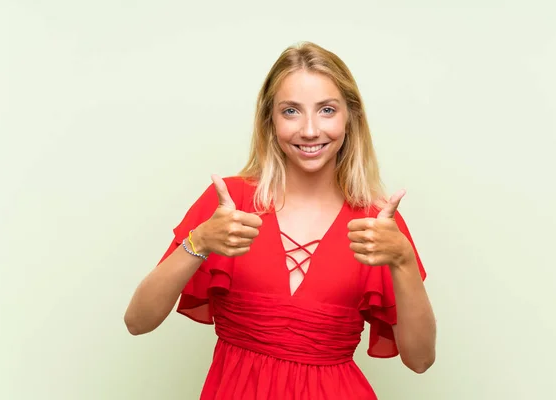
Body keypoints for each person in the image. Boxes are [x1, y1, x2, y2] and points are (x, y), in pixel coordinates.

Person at [124, 41, 436, 400]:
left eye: (327, 110)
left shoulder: (376, 221)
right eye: (290, 111)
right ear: (269, 121)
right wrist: (199, 242)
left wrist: (404, 260)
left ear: (351, 118)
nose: (309, 130)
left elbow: (421, 359)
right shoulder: (229, 203)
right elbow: (138, 321)